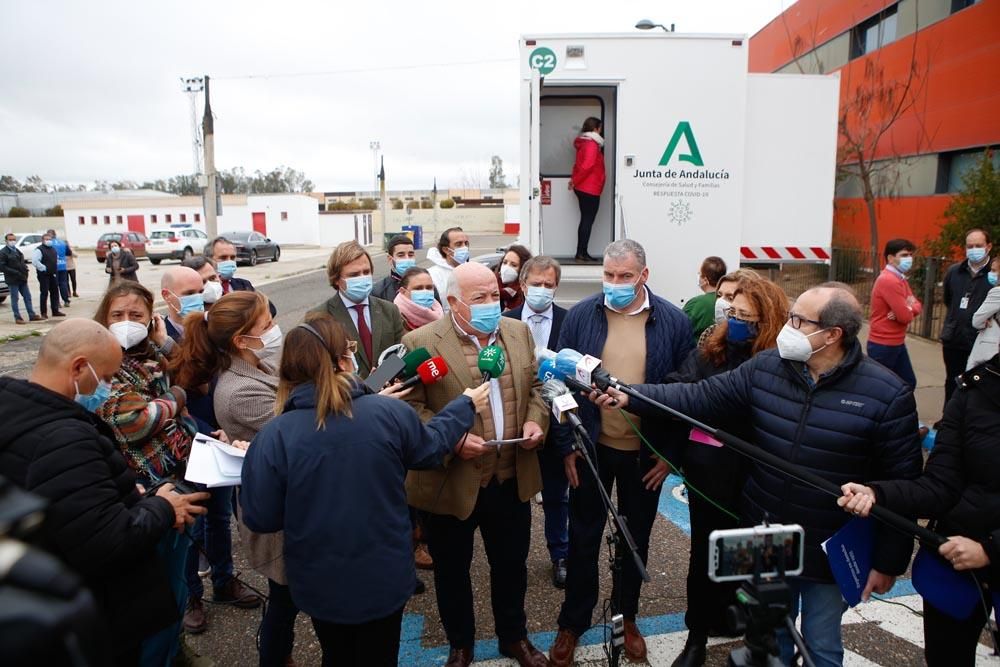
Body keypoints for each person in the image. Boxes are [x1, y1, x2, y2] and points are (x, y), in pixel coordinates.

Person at [593, 284, 923, 667]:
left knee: (820, 644)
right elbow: (698, 396)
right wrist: (630, 395)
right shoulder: (768, 368)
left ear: (832, 335)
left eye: (799, 320)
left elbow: (903, 485)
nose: (789, 327)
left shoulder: (887, 394)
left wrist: (888, 563)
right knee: (768, 640)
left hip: (826, 543)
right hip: (768, 536)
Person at [241, 315, 491, 667]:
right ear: (343, 361)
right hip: (384, 575)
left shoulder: (273, 437)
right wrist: (463, 407)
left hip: (318, 581)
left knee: (337, 654)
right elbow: (430, 449)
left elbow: (261, 516)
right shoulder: (389, 413)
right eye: (350, 351)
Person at [0, 319, 210, 666]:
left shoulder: (17, 407)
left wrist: (118, 492)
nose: (110, 388)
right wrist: (162, 506)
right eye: (109, 377)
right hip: (107, 612)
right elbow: (106, 542)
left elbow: (65, 502)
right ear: (79, 367)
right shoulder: (64, 438)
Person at [550, 239, 692, 666]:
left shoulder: (673, 321)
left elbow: (685, 393)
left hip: (644, 456)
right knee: (583, 538)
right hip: (592, 447)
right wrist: (567, 447)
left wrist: (669, 456)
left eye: (624, 277)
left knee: (636, 541)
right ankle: (572, 622)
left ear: (643, 276)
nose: (614, 284)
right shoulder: (580, 316)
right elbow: (557, 381)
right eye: (608, 276)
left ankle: (626, 616)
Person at [402, 261, 549, 667]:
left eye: (494, 296)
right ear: (452, 302)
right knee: (451, 571)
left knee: (511, 566)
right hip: (451, 482)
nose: (490, 304)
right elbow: (409, 410)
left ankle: (514, 637)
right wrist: (451, 439)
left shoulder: (517, 332)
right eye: (478, 298)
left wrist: (537, 419)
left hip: (509, 476)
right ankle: (460, 644)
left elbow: (537, 387)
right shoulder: (421, 341)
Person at [838, 352, 1000, 666]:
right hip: (955, 565)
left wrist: (991, 549)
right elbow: (940, 485)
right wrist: (877, 493)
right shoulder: (975, 390)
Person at [669, 278, 789, 667]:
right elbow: (678, 386)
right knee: (705, 558)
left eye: (745, 317)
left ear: (767, 320)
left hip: (759, 480)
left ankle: (758, 638)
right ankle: (697, 636)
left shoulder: (780, 361)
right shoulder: (710, 349)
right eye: (731, 313)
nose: (734, 321)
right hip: (710, 478)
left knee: (756, 561)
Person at [92, 281, 206, 665]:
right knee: (152, 592)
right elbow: (136, 422)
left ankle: (173, 650)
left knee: (172, 582)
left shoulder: (152, 358)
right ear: (103, 320)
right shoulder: (102, 366)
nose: (126, 323)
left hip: (177, 478)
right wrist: (175, 398)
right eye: (117, 316)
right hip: (142, 492)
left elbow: (187, 381)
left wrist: (162, 344)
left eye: (136, 316)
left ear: (151, 318)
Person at [172, 291, 289, 664]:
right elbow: (302, 430)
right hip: (279, 512)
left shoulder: (261, 364)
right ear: (241, 340)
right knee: (287, 599)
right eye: (266, 326)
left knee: (290, 598)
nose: (275, 331)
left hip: (289, 500)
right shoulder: (239, 392)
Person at [503, 255, 568, 588]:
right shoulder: (504, 321)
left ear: (556, 286)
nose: (542, 290)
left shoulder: (570, 321)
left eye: (549, 284)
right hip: (517, 422)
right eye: (536, 284)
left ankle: (560, 554)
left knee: (557, 494)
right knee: (515, 496)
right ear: (523, 285)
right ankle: (513, 560)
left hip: (557, 422)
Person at [308, 240, 405, 379]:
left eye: (366, 272)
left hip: (384, 394)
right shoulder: (319, 317)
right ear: (336, 279)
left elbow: (398, 355)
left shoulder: (389, 310)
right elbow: (319, 370)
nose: (362, 278)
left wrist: (376, 383)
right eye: (354, 275)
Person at [940, 228, 992, 405]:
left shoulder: (995, 275)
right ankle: (948, 418)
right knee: (952, 381)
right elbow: (948, 299)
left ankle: (970, 422)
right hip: (954, 338)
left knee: (978, 384)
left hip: (980, 340)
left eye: (978, 245)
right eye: (970, 246)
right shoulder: (954, 271)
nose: (973, 249)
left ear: (988, 247)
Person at [867, 238, 922, 388]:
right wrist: (906, 309)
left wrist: (908, 308)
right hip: (884, 344)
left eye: (910, 255)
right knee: (884, 388)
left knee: (906, 383)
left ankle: (898, 411)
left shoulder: (900, 279)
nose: (909, 259)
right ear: (891, 258)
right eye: (904, 255)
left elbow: (916, 305)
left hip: (895, 342)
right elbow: (904, 317)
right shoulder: (889, 280)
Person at [205, 236, 277, 316]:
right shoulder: (205, 290)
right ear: (209, 260)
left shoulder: (244, 285)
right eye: (223, 258)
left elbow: (270, 310)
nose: (229, 262)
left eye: (232, 258)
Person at [569, 117, 606, 262]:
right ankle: (581, 253)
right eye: (600, 128)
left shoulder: (584, 143)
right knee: (587, 220)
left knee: (586, 219)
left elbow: (578, 165)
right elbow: (587, 166)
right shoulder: (591, 144)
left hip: (585, 187)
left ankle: (582, 252)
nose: (601, 131)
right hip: (589, 188)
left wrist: (574, 180)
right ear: (596, 129)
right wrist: (575, 181)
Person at [373, 234, 441, 303]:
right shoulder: (380, 291)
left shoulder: (427, 286)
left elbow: (438, 311)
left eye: (410, 255)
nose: (407, 259)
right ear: (390, 259)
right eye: (401, 255)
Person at [682, 256, 727, 345]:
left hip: (699, 353)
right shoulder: (730, 301)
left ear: (705, 280)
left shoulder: (696, 304)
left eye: (700, 274)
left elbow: (679, 329)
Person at [966, 256, 1000, 369]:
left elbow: (977, 321)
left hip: (992, 348)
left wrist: (986, 319)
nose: (991, 273)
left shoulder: (996, 292)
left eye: (994, 270)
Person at [426, 226, 470, 311]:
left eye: (466, 243)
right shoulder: (431, 275)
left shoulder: (472, 271)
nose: (464, 247)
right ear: (446, 250)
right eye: (459, 244)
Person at [1, 231, 41, 323]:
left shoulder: (17, 250)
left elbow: (22, 262)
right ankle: (17, 317)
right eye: (10, 240)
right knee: (15, 299)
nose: (12, 241)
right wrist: (15, 272)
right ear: (6, 241)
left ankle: (32, 315)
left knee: (27, 297)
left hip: (22, 278)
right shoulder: (3, 252)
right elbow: (2, 267)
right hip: (13, 279)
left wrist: (25, 270)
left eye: (14, 239)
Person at [394, 266, 444, 331]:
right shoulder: (395, 319)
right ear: (403, 291)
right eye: (418, 288)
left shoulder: (438, 310)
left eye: (429, 287)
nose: (425, 292)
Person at [31, 231, 65, 318]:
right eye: (46, 239)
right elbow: (35, 261)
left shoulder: (53, 249)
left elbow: (55, 259)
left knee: (55, 292)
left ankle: (55, 310)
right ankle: (44, 312)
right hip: (44, 274)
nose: (48, 241)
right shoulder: (39, 249)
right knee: (44, 293)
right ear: (42, 240)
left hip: (53, 273)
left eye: (50, 239)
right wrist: (44, 268)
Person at [496, 244, 532, 312]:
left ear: (522, 269)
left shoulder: (526, 294)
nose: (507, 268)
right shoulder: (492, 288)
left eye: (513, 265)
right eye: (505, 262)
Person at [48, 228, 72, 308]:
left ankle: (57, 302)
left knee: (55, 286)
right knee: (63, 284)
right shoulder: (62, 242)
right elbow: (69, 252)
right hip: (63, 265)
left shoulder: (50, 244)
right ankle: (66, 300)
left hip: (54, 267)